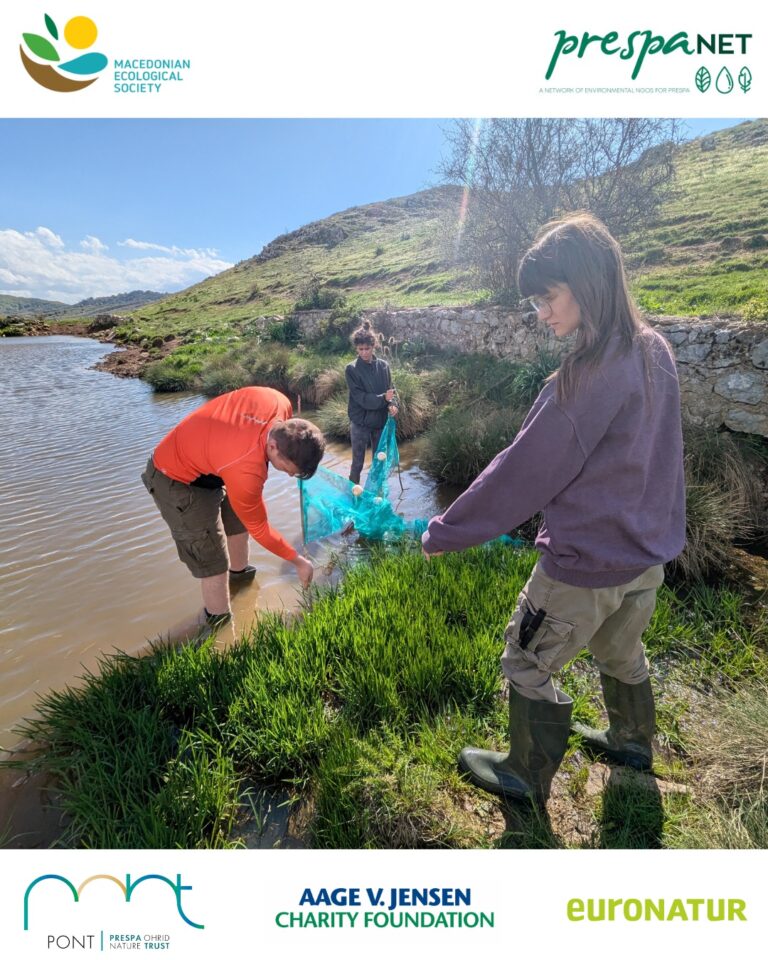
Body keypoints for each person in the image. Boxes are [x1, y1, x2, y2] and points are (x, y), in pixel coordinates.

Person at [421, 213, 686, 805]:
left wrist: (446, 530)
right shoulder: (654, 350)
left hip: (583, 565)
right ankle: (632, 743)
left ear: (589, 283)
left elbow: (520, 473)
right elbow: (665, 452)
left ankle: (524, 773)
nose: (542, 314)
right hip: (646, 559)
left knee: (525, 661)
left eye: (549, 297)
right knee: (621, 649)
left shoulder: (581, 380)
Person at [141, 385, 325, 626]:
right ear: (273, 447)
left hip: (213, 461)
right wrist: (298, 561)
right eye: (287, 469)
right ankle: (220, 628)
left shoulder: (278, 402)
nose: (289, 476)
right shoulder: (247, 471)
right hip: (175, 477)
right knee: (213, 561)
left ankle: (241, 581)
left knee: (239, 523)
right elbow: (261, 529)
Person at [345, 320, 398, 485]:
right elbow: (361, 398)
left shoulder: (383, 366)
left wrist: (393, 405)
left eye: (367, 349)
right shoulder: (351, 369)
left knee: (379, 460)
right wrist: (384, 399)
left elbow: (391, 390)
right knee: (357, 463)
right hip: (360, 422)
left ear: (373, 346)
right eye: (360, 349)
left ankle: (377, 492)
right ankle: (354, 494)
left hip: (379, 421)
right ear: (356, 349)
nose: (364, 353)